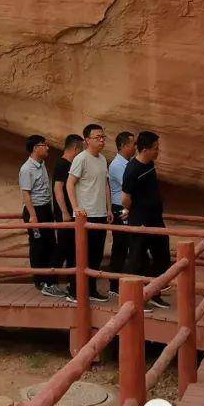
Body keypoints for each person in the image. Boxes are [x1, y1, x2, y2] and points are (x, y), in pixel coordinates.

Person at [120, 131, 171, 308]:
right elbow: (125, 198)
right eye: (155, 149)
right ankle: (132, 298)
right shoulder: (132, 169)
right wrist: (133, 212)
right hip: (140, 219)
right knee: (137, 257)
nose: (158, 152)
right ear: (144, 149)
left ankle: (153, 291)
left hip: (155, 218)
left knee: (162, 253)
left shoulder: (150, 164)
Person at [66, 124, 112, 302]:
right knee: (81, 254)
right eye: (97, 137)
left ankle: (91, 290)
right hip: (85, 215)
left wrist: (108, 208)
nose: (101, 140)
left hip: (100, 213)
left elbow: (105, 185)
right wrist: (76, 207)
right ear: (87, 140)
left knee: (96, 255)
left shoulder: (102, 159)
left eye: (103, 137)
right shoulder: (81, 158)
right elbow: (70, 183)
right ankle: (74, 291)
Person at [18, 135, 61, 297]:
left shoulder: (41, 164)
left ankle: (49, 280)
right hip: (34, 210)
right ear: (36, 148)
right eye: (44, 145)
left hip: (45, 208)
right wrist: (33, 216)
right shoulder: (27, 168)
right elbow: (26, 194)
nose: (48, 148)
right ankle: (40, 280)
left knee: (51, 244)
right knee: (38, 246)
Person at [52, 134, 84, 281]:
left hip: (71, 213)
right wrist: (64, 211)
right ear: (76, 148)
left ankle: (74, 282)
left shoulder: (70, 165)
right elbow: (58, 188)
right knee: (63, 247)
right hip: (64, 214)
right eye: (81, 148)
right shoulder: (62, 164)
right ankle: (49, 281)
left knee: (72, 248)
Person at [107, 131, 136, 277]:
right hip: (121, 208)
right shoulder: (118, 165)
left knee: (129, 244)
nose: (135, 147)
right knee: (121, 244)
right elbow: (129, 187)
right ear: (124, 146)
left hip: (127, 207)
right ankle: (114, 283)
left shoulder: (128, 163)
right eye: (133, 144)